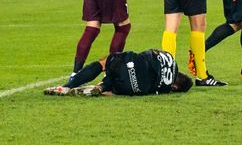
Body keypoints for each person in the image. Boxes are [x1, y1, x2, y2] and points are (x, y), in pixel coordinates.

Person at [45, 49, 192, 96]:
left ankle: (67, 86)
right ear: (176, 87)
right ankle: (101, 88)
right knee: (121, 85)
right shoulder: (166, 88)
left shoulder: (170, 58)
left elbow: (149, 53)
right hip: (134, 88)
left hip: (133, 64)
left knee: (105, 63)